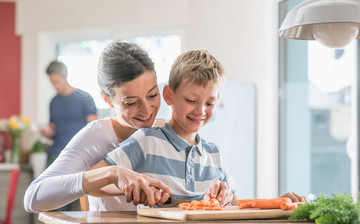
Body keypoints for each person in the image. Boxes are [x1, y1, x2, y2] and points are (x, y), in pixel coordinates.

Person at [92, 50, 307, 205]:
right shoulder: (146, 140)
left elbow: (238, 206)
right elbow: (93, 181)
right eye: (191, 100)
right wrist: (128, 184)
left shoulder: (213, 154)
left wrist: (278, 202)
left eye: (209, 103)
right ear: (169, 95)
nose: (200, 111)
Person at [25, 42, 176, 213]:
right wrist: (111, 174)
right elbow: (33, 198)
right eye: (131, 102)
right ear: (107, 100)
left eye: (152, 95)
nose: (147, 110)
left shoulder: (169, 131)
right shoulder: (96, 136)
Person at [42, 60, 98, 168]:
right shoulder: (53, 102)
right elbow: (52, 128)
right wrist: (47, 132)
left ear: (65, 76)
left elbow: (94, 128)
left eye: (57, 81)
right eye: (52, 82)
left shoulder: (84, 98)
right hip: (55, 153)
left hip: (78, 153)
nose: (55, 85)